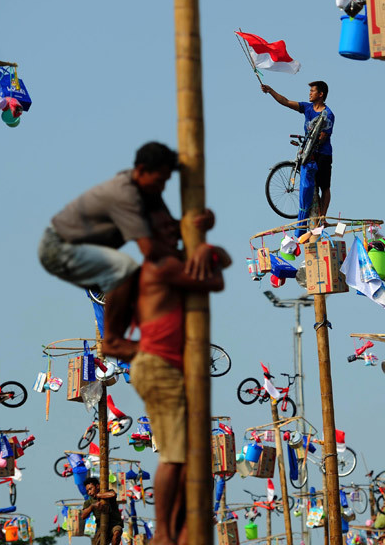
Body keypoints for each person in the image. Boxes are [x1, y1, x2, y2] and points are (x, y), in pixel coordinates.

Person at [38, 142, 216, 359]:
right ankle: (112, 342)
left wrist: (199, 223)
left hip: (87, 250)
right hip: (58, 248)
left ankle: (151, 335)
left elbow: (170, 233)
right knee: (126, 268)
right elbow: (149, 249)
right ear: (141, 171)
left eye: (166, 181)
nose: (162, 187)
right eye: (159, 180)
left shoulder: (149, 192)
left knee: (151, 278)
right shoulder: (125, 194)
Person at [129, 220, 231, 545]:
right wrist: (204, 251)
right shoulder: (161, 269)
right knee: (174, 455)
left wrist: (204, 249)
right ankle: (162, 531)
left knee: (187, 453)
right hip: (161, 369)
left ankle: (178, 527)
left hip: (178, 369)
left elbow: (221, 266)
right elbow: (215, 278)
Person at [261, 81, 335, 218]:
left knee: (324, 186)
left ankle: (322, 216)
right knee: (312, 187)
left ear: (320, 94)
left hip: (322, 154)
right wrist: (271, 90)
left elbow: (322, 137)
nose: (310, 93)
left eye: (313, 91)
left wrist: (310, 146)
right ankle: (315, 214)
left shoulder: (328, 114)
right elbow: (286, 101)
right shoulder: (307, 108)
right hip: (308, 153)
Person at [81, 477, 123, 545]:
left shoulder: (108, 493)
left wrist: (99, 495)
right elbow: (83, 516)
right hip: (101, 528)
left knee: (117, 534)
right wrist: (92, 506)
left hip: (115, 524)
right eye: (87, 491)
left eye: (90, 489)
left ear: (97, 486)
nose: (89, 492)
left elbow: (113, 494)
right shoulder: (89, 502)